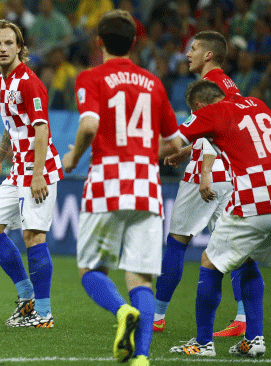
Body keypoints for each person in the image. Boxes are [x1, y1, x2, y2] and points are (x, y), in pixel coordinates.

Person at [62, 10, 181, 365]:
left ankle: (120, 311)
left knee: (91, 270)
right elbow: (175, 145)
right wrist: (142, 152)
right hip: (147, 183)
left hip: (108, 181)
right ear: (134, 43)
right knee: (141, 277)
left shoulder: (91, 76)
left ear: (98, 42)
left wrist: (73, 159)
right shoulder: (154, 82)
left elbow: (88, 126)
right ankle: (142, 357)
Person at [169, 79, 271, 357]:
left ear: (198, 106)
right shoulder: (257, 105)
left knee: (209, 262)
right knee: (246, 260)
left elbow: (170, 142)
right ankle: (254, 339)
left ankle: (202, 343)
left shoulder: (210, 113)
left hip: (253, 201)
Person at [153, 30, 249, 338]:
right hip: (232, 173)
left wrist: (204, 168)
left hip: (207, 174)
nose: (188, 53)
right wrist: (185, 150)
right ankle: (244, 318)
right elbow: (220, 131)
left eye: (193, 48)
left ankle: (156, 315)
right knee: (236, 246)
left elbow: (214, 124)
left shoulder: (213, 87)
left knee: (177, 241)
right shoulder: (230, 85)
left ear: (209, 55)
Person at [0, 20, 63, 328]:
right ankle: (27, 298)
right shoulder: (1, 83)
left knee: (33, 235)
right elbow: (12, 127)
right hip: (17, 170)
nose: (3, 48)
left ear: (19, 47)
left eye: (8, 43)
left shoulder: (29, 82)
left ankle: (43, 314)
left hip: (38, 170)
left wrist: (38, 174)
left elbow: (41, 129)